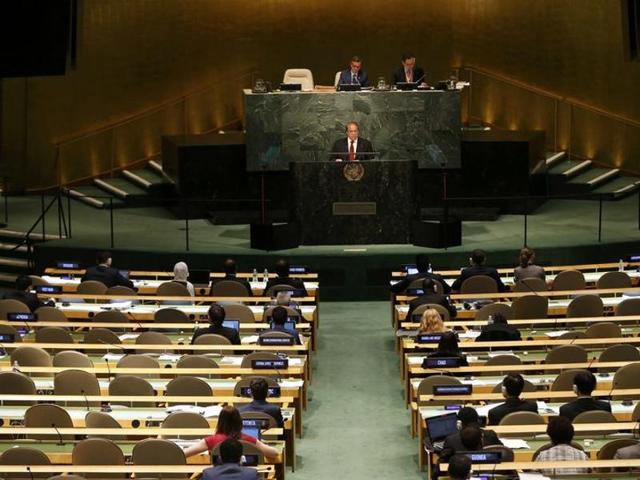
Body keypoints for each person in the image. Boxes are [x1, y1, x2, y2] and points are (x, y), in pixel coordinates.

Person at [184, 405, 278, 459]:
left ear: (220, 421)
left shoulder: (211, 440)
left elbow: (184, 454)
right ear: (239, 421)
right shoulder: (247, 439)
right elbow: (274, 453)